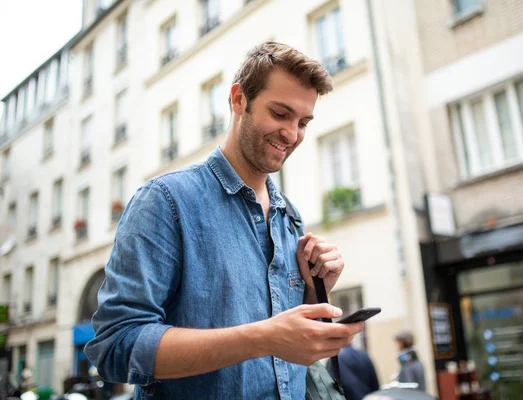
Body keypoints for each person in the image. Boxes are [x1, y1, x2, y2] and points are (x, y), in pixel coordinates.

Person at [84, 42, 364, 400]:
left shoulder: (289, 218)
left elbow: (287, 355)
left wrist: (315, 290)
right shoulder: (165, 202)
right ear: (238, 99)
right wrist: (263, 337)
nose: (292, 135)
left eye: (303, 122)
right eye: (280, 114)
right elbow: (115, 346)